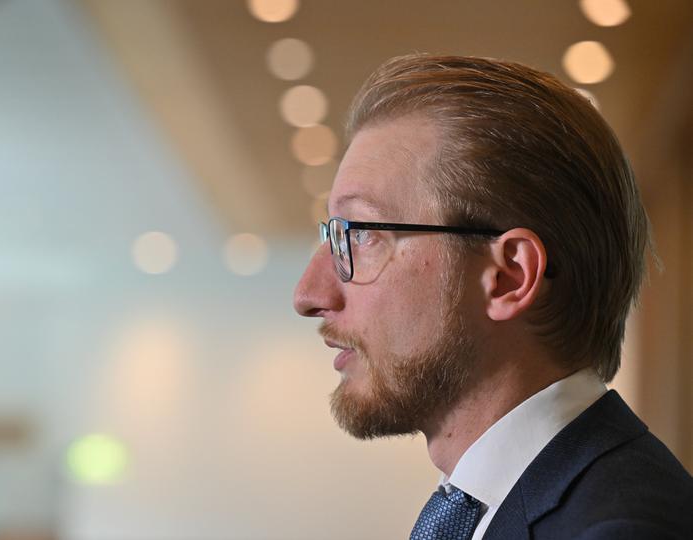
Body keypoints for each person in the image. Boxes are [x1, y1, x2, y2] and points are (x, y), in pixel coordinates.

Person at [292, 54, 693, 539]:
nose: (309, 294)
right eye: (334, 235)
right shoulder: (486, 509)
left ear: (509, 277)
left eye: (362, 235)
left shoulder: (621, 532)